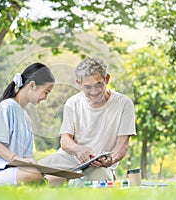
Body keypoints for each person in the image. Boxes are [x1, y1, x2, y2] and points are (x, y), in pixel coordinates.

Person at [38, 57, 136, 185]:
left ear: (106, 79)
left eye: (98, 84)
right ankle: (63, 180)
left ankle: (68, 181)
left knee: (95, 183)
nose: (94, 92)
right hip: (69, 159)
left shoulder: (123, 103)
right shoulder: (72, 103)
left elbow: (122, 145)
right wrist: (78, 149)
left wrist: (111, 160)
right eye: (87, 87)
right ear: (78, 84)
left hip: (100, 166)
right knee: (31, 172)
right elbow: (65, 140)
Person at [0, 63, 55, 187]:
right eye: (46, 92)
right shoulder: (6, 107)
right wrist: (16, 159)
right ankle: (41, 183)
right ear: (32, 85)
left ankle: (43, 182)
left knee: (54, 176)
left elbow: (25, 157)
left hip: (16, 171)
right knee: (34, 175)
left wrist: (31, 163)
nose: (46, 98)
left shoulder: (26, 117)